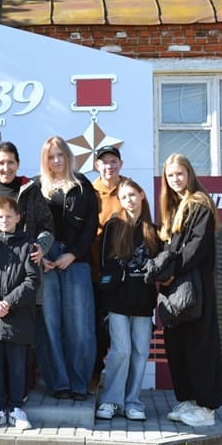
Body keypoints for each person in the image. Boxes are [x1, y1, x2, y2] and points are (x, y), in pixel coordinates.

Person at [149, 153, 222, 428]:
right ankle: (189, 400)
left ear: (189, 174)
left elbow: (195, 249)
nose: (175, 179)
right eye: (170, 175)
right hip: (174, 291)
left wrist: (169, 272)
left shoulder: (200, 205)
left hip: (196, 289)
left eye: (179, 174)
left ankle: (206, 407)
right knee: (178, 347)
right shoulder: (173, 208)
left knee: (200, 346)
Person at [37, 136, 99, 401]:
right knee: (50, 325)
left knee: (80, 326)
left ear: (68, 156)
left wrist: (73, 254)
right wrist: (41, 256)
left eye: (60, 155)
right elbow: (30, 225)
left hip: (77, 260)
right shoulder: (37, 188)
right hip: (46, 261)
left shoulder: (83, 185)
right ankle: (59, 383)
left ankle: (79, 384)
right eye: (51, 156)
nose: (56, 160)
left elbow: (91, 226)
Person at [95, 178, 159, 421]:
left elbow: (160, 265)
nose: (129, 200)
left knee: (140, 352)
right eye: (123, 197)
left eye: (132, 194)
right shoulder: (114, 226)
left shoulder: (154, 230)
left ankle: (133, 402)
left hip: (143, 301)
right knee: (121, 351)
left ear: (142, 195)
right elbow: (104, 263)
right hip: (117, 300)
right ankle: (111, 401)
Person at [0, 196, 40, 430]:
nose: (4, 220)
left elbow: (32, 280)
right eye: (0, 217)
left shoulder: (28, 246)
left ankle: (17, 408)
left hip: (18, 318)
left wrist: (9, 302)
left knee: (17, 366)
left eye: (9, 216)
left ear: (18, 218)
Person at [91, 145, 127, 385]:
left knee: (120, 330)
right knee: (96, 328)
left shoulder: (129, 189)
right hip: (94, 272)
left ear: (120, 164)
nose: (109, 166)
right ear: (97, 165)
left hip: (122, 275)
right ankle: (95, 375)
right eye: (104, 162)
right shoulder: (89, 191)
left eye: (114, 161)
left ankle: (119, 382)